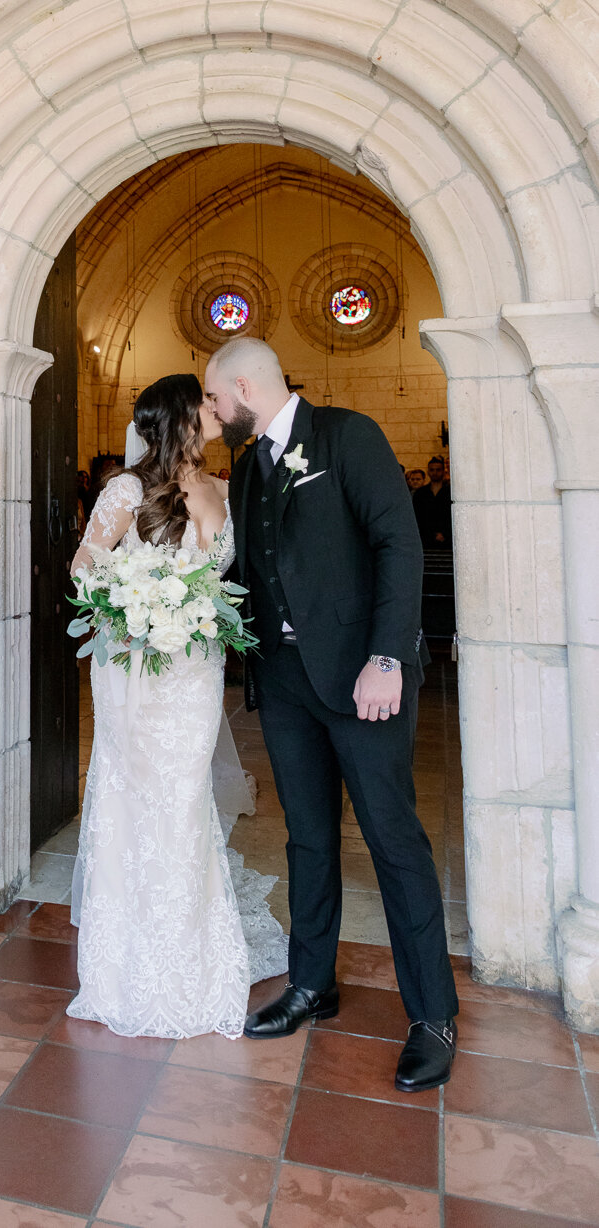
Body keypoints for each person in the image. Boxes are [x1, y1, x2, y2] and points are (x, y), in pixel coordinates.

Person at [204, 337, 458, 1092]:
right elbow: (253, 570)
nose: (215, 417)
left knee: (391, 839)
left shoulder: (347, 435)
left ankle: (433, 1016)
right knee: (307, 837)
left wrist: (387, 658)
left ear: (244, 387)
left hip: (362, 679)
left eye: (217, 401)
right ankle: (312, 984)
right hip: (284, 684)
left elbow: (397, 545)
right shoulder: (247, 469)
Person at [67, 373, 287, 1039]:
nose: (219, 409)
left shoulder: (224, 487)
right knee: (136, 796)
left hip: (195, 671)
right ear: (180, 415)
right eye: (206, 401)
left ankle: (188, 946)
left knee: (185, 798)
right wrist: (132, 606)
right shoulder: (125, 490)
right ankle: (126, 955)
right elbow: (83, 566)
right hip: (136, 667)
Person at [413, 456, 453, 549]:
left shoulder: (451, 492)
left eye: (438, 470)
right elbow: (418, 517)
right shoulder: (420, 493)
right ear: (428, 471)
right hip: (426, 540)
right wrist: (431, 534)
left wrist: (445, 534)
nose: (435, 473)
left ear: (443, 471)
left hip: (448, 540)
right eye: (432, 470)